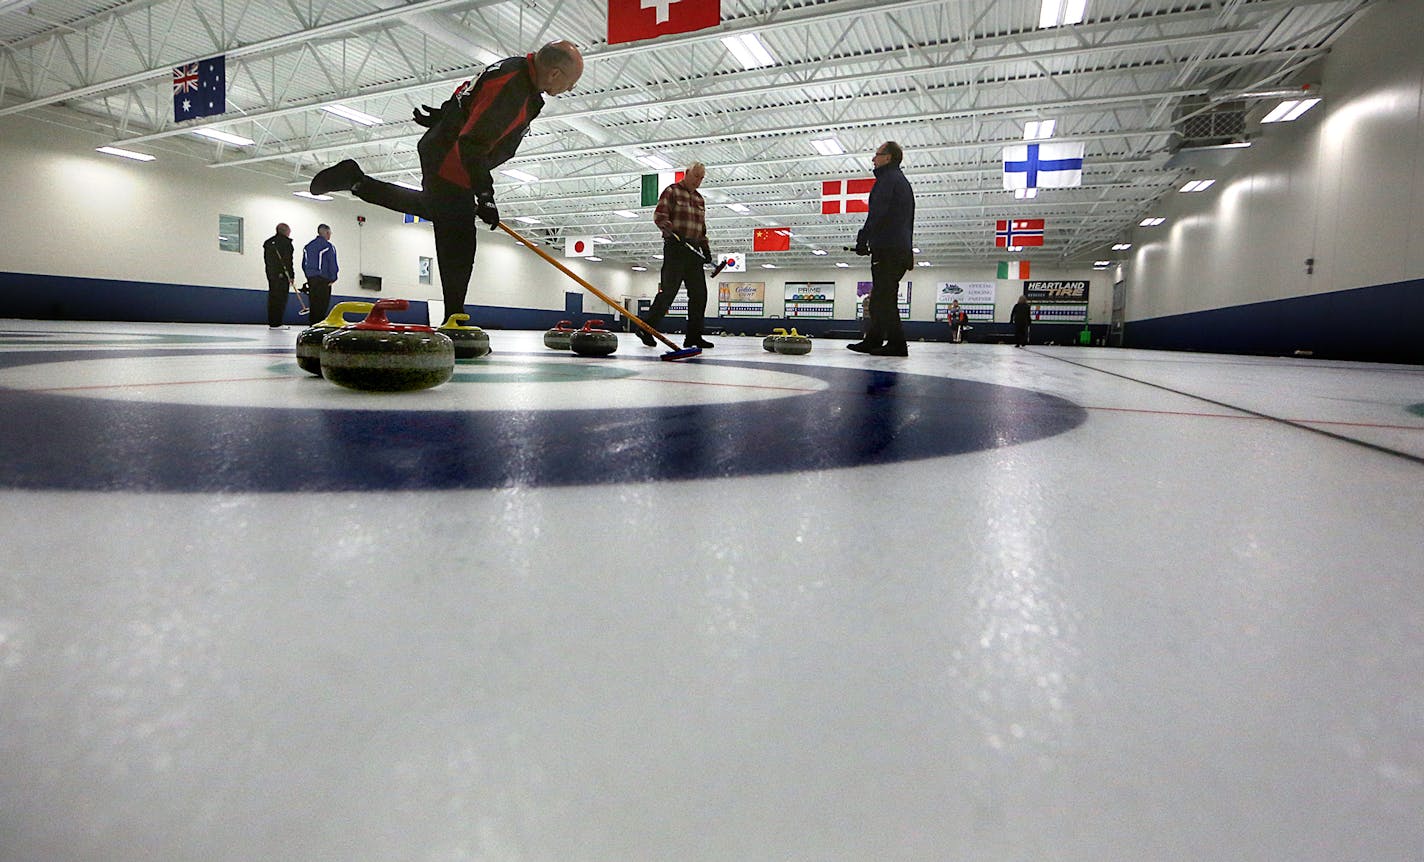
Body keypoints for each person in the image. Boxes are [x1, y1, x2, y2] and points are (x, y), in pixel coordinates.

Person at [307, 41, 584, 321]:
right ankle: (455, 319)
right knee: (459, 236)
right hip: (453, 163)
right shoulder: (514, 89)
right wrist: (485, 196)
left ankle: (356, 181)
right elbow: (473, 145)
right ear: (555, 73)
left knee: (437, 211)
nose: (569, 89)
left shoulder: (516, 73)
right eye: (571, 83)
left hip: (447, 153)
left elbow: (468, 94)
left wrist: (444, 116)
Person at [847, 141, 915, 357]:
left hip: (889, 248)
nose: (873, 159)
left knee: (885, 297)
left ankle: (897, 343)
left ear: (888, 157)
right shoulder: (898, 181)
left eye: (877, 155)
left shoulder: (888, 180)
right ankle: (874, 339)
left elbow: (878, 213)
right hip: (896, 247)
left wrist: (863, 238)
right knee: (880, 297)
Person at [637, 162, 715, 349]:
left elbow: (701, 228)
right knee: (669, 291)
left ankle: (694, 337)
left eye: (702, 178)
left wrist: (705, 248)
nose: (699, 181)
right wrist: (673, 233)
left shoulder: (699, 199)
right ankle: (645, 328)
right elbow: (660, 216)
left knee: (699, 295)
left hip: (693, 251)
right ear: (686, 173)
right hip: (676, 248)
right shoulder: (672, 191)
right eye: (696, 176)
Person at [302, 224, 338, 323]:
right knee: (322, 305)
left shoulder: (308, 247)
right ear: (326, 233)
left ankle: (312, 326)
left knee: (313, 304)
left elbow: (303, 264)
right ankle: (319, 327)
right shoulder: (328, 246)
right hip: (324, 280)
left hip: (311, 280)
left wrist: (309, 276)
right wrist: (333, 278)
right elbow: (332, 263)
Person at [262, 223, 295, 328]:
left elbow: (268, 261)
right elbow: (288, 261)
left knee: (273, 298)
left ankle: (273, 322)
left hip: (271, 275)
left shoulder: (268, 243)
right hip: (282, 275)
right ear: (285, 231)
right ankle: (277, 323)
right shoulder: (286, 243)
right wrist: (291, 275)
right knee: (281, 299)